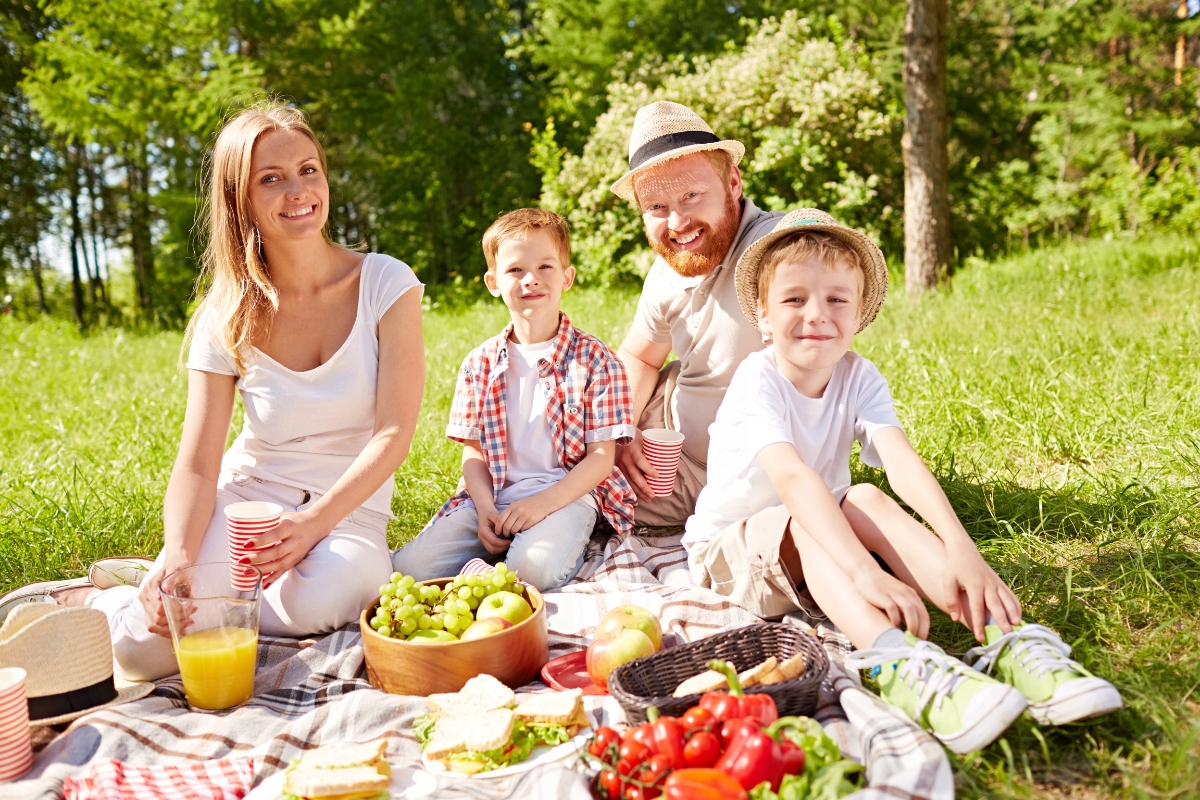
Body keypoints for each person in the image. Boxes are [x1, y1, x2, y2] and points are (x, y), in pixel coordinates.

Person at [0, 104, 425, 681]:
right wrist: (178, 557)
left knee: (333, 596)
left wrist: (313, 524)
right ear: (240, 199)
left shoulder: (385, 282)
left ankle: (212, 597)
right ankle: (104, 599)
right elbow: (198, 464)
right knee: (141, 654)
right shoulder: (226, 313)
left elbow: (395, 432)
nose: (297, 190)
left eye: (309, 170)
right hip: (249, 502)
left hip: (347, 512)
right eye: (270, 179)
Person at [684, 208, 1122, 753]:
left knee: (865, 493)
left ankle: (1007, 640)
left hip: (817, 528)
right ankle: (897, 663)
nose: (816, 314)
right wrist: (865, 572)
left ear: (860, 310)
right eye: (794, 299)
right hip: (728, 551)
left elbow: (900, 461)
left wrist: (963, 548)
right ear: (763, 316)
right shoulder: (757, 379)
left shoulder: (858, 375)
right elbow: (795, 479)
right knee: (810, 516)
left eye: (837, 299)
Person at [392, 209, 635, 592]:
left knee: (531, 572)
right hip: (494, 497)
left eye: (545, 266)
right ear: (492, 282)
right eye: (515, 270)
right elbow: (473, 455)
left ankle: (539, 549)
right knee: (408, 570)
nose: (531, 280)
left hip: (565, 496)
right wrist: (486, 509)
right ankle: (489, 558)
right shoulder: (479, 364)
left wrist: (541, 505)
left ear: (567, 276)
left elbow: (602, 458)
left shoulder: (596, 360)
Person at [610, 101, 788, 529]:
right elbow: (640, 356)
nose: (677, 221)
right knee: (561, 481)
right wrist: (620, 433)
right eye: (655, 207)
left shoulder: (777, 249)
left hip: (764, 476)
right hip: (668, 452)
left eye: (691, 194)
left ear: (733, 182)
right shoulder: (666, 270)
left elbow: (816, 237)